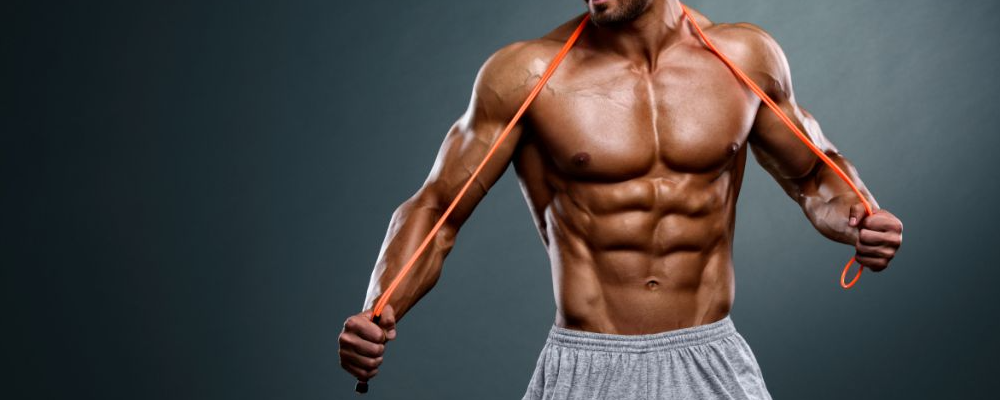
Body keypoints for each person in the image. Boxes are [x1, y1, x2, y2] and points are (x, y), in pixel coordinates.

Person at [338, 0, 903, 398]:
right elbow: (437, 207)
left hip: (711, 356)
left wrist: (860, 220)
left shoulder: (743, 60)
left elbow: (815, 173)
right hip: (588, 368)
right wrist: (379, 308)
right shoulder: (529, 75)